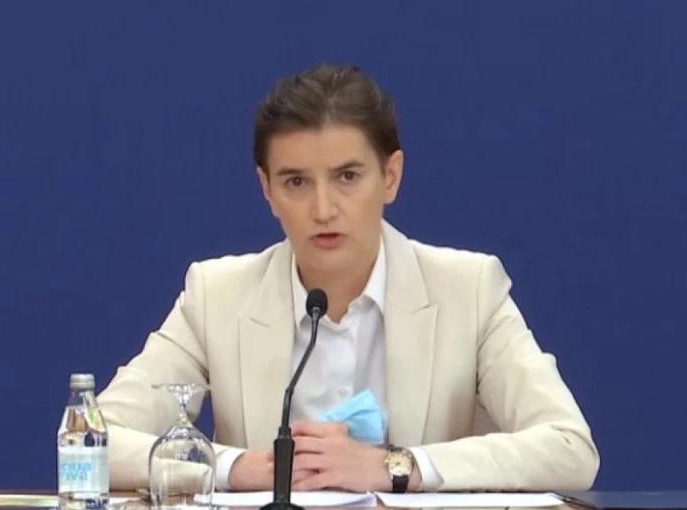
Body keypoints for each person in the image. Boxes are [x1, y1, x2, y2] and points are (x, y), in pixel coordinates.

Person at [96, 63, 600, 493]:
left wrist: (396, 467)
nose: (323, 209)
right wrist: (234, 468)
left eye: (347, 177)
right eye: (296, 181)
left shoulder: (467, 290)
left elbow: (569, 447)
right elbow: (93, 439)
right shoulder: (217, 295)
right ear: (266, 190)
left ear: (391, 177)